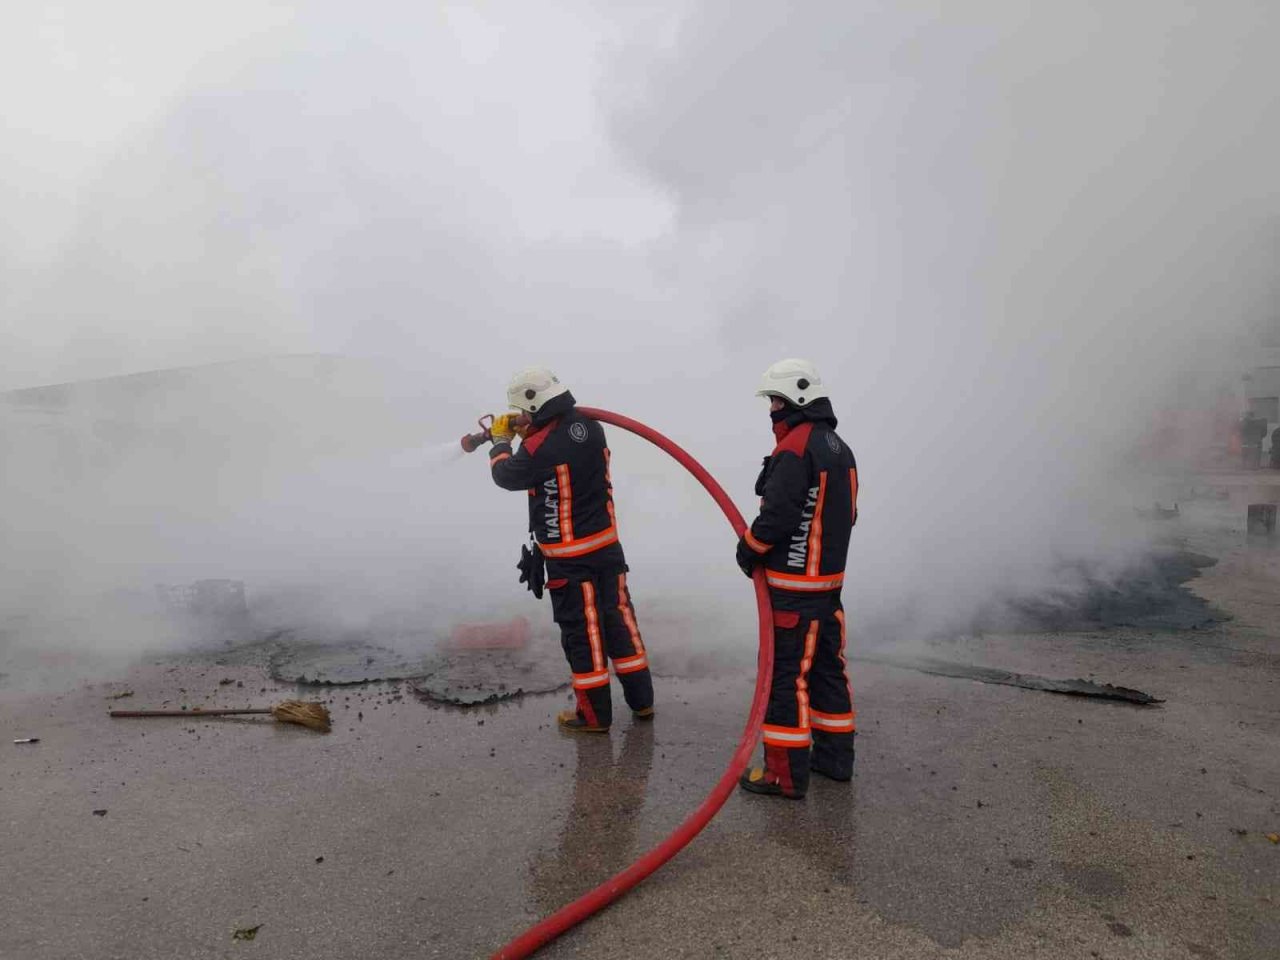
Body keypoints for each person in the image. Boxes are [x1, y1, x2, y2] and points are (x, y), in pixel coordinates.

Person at [487, 367, 654, 732]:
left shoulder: (540, 448)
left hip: (569, 558)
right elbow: (553, 450)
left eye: (525, 410)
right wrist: (528, 429)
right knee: (620, 622)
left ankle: (593, 718)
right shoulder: (590, 427)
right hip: (607, 549)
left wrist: (501, 441)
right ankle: (643, 704)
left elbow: (506, 475)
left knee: (583, 635)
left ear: (535, 403)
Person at [735, 358, 858, 799]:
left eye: (774, 401)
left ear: (793, 401)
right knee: (828, 672)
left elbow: (778, 518)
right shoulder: (840, 448)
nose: (770, 411)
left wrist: (748, 549)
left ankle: (783, 776)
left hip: (793, 593)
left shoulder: (796, 448)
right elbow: (849, 516)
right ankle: (835, 761)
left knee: (785, 680)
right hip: (829, 590)